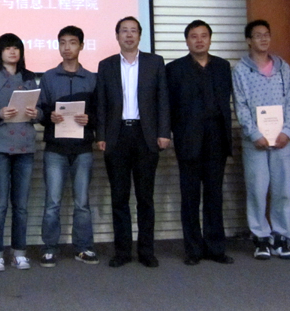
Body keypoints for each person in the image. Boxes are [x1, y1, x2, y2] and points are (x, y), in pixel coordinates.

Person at [96, 16, 170, 268]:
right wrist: (101, 135)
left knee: (145, 198)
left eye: (133, 31)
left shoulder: (154, 62)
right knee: (119, 198)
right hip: (117, 136)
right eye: (124, 31)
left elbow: (163, 100)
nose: (129, 35)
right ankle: (122, 252)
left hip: (145, 135)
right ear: (117, 36)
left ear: (140, 35)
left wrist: (164, 132)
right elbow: (101, 103)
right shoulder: (106, 65)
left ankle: (146, 251)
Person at [166, 20, 233, 266]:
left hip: (217, 138)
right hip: (188, 139)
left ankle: (216, 248)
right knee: (190, 198)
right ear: (187, 41)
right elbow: (168, 106)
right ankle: (193, 249)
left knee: (215, 196)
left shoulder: (223, 66)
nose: (199, 40)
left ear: (210, 39)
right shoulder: (174, 69)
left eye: (204, 35)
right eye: (194, 36)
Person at [232, 19, 290, 260]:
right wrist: (254, 134)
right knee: (257, 191)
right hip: (255, 142)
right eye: (258, 35)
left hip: (282, 141)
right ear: (248, 40)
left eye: (266, 34)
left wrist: (287, 131)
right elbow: (240, 105)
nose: (263, 39)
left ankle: (282, 236)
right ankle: (260, 237)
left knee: (282, 191)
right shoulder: (240, 70)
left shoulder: (283, 68)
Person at [0, 33, 41, 271]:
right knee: (0, 203)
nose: (12, 52)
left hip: (24, 147)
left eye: (16, 48)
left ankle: (19, 252)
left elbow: (41, 111)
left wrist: (37, 114)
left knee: (21, 205)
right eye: (7, 48)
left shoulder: (30, 78)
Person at [38, 26, 99, 267]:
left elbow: (101, 113)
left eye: (72, 42)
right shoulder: (48, 77)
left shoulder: (92, 78)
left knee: (82, 203)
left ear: (81, 46)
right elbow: (40, 110)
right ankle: (49, 248)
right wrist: (48, 116)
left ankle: (83, 247)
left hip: (82, 148)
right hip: (55, 149)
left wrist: (90, 119)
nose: (67, 47)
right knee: (52, 202)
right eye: (62, 42)